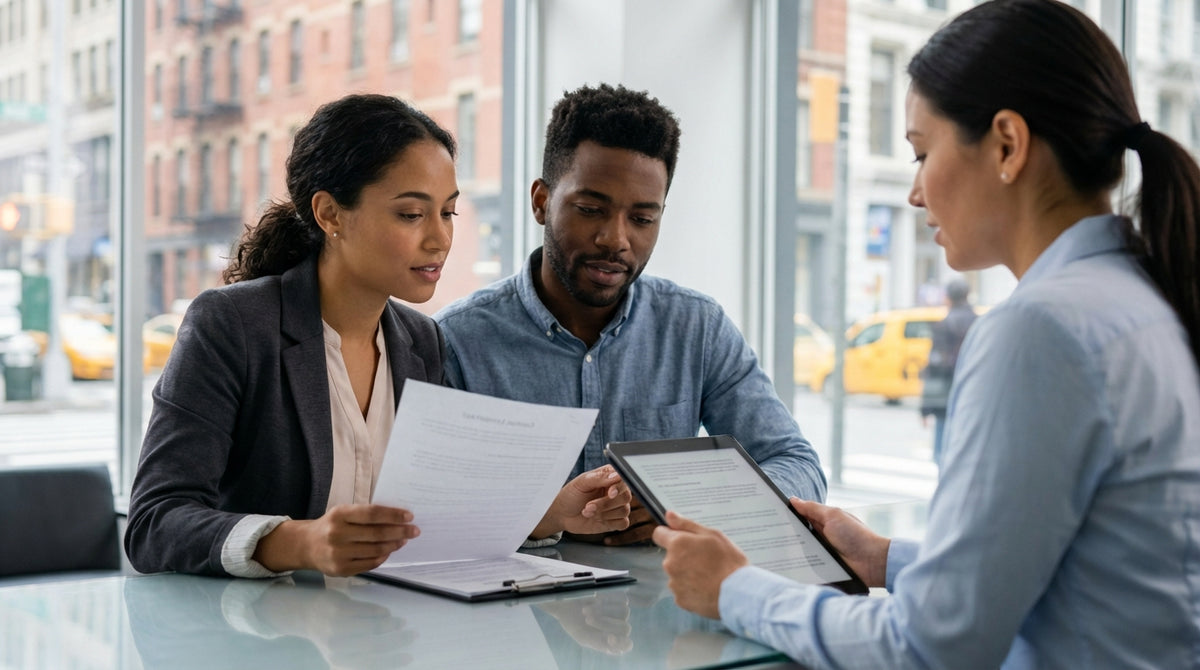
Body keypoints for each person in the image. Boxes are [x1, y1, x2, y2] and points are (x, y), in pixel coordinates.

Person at [651, 1, 1200, 667]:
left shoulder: (1041, 330)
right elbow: (1086, 572)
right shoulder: (1144, 300)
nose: (915, 192)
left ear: (1007, 145)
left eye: (921, 153)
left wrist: (734, 589)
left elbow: (928, 646)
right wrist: (884, 558)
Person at [124, 94, 631, 578]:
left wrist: (550, 513)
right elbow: (154, 521)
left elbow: (436, 517)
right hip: (255, 625)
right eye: (411, 214)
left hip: (383, 622)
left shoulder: (421, 341)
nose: (440, 239)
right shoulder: (233, 324)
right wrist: (299, 543)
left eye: (448, 212)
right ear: (330, 214)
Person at [434, 83, 827, 546]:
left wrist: (690, 504)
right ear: (541, 202)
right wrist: (544, 514)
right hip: (514, 593)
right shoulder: (457, 341)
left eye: (642, 219)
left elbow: (798, 467)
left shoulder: (696, 328)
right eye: (590, 209)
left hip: (665, 590)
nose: (616, 240)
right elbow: (432, 510)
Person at [919, 277, 977, 466]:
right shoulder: (980, 323)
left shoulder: (943, 326)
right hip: (974, 396)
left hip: (945, 397)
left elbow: (935, 367)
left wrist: (926, 408)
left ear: (947, 298)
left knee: (942, 454)